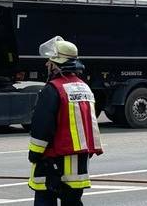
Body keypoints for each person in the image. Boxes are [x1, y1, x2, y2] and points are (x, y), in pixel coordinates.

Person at [27, 37, 103, 206]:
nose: (47, 64)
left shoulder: (52, 89)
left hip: (51, 166)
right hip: (77, 170)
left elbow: (42, 128)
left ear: (57, 64)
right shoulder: (84, 88)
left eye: (50, 61)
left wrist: (34, 154)